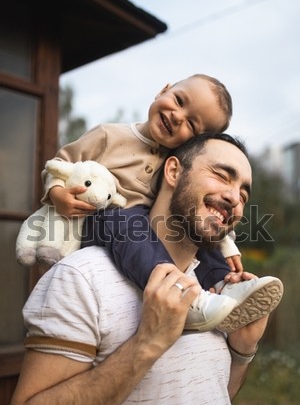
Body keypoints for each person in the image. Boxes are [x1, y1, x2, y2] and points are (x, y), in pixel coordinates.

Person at [9, 133, 284, 405]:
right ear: (172, 172)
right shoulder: (81, 277)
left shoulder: (216, 290)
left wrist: (242, 350)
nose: (235, 198)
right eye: (222, 176)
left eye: (244, 195)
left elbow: (210, 400)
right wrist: (147, 343)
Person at [41, 73, 247, 332]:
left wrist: (226, 245)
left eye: (192, 125)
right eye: (179, 100)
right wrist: (58, 193)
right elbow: (59, 165)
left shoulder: (176, 160)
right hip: (102, 219)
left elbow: (199, 204)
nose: (177, 116)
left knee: (195, 230)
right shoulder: (109, 135)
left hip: (145, 226)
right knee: (128, 224)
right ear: (164, 90)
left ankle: (224, 286)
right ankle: (178, 293)